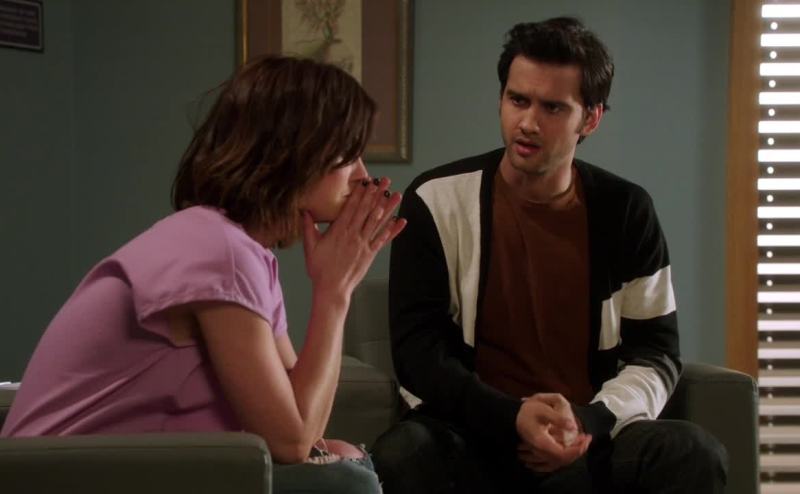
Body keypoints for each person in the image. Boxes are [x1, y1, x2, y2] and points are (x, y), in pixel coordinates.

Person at [1, 55, 406, 494]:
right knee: (347, 483)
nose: (363, 176)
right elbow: (292, 441)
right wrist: (334, 294)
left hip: (119, 470)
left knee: (346, 459)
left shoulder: (241, 250)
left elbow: (302, 420)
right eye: (347, 156)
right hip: (64, 478)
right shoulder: (220, 252)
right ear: (291, 155)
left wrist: (336, 286)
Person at [372, 17, 727, 493]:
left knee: (692, 453)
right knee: (402, 454)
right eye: (518, 100)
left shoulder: (626, 210)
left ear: (591, 119)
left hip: (587, 437)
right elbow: (417, 352)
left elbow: (655, 353)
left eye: (553, 107)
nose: (528, 122)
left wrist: (588, 421)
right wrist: (511, 416)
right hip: (474, 432)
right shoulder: (435, 200)